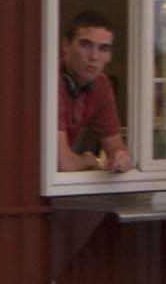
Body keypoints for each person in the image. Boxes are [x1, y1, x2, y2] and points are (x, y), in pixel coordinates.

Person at [56, 10, 130, 176]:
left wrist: (121, 157)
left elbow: (115, 147)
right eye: (85, 45)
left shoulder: (100, 85)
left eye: (103, 48)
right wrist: (89, 160)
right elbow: (62, 163)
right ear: (66, 46)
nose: (94, 56)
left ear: (110, 56)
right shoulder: (51, 80)